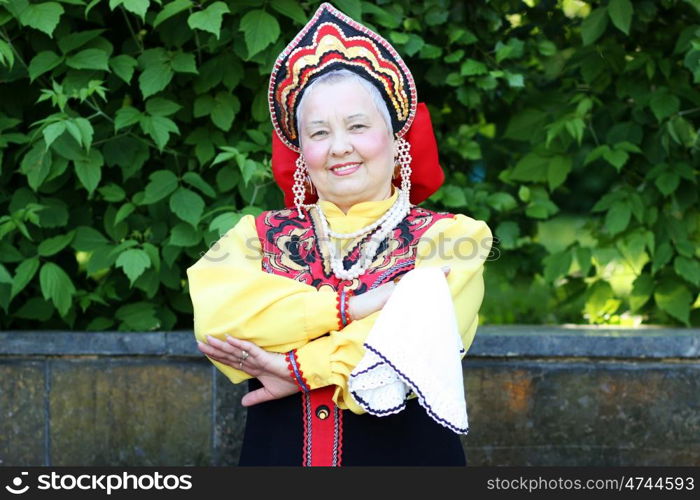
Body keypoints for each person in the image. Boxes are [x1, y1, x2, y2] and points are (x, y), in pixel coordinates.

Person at [186, 2, 493, 466]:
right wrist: (354, 306)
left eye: (358, 126)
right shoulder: (255, 235)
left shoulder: (452, 239)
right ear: (301, 151)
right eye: (319, 132)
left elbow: (400, 358)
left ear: (396, 142)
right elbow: (219, 325)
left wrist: (291, 369)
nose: (340, 147)